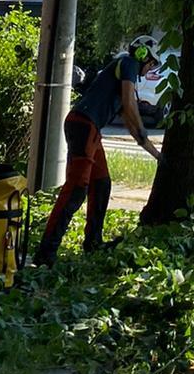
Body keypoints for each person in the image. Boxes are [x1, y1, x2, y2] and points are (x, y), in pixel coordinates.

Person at [32, 37, 162, 265]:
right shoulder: (128, 63)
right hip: (84, 125)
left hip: (90, 129)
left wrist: (158, 156)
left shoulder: (123, 75)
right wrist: (144, 132)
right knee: (76, 189)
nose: (150, 68)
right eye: (151, 63)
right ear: (142, 55)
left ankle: (93, 242)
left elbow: (131, 123)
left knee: (101, 184)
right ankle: (46, 253)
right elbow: (131, 106)